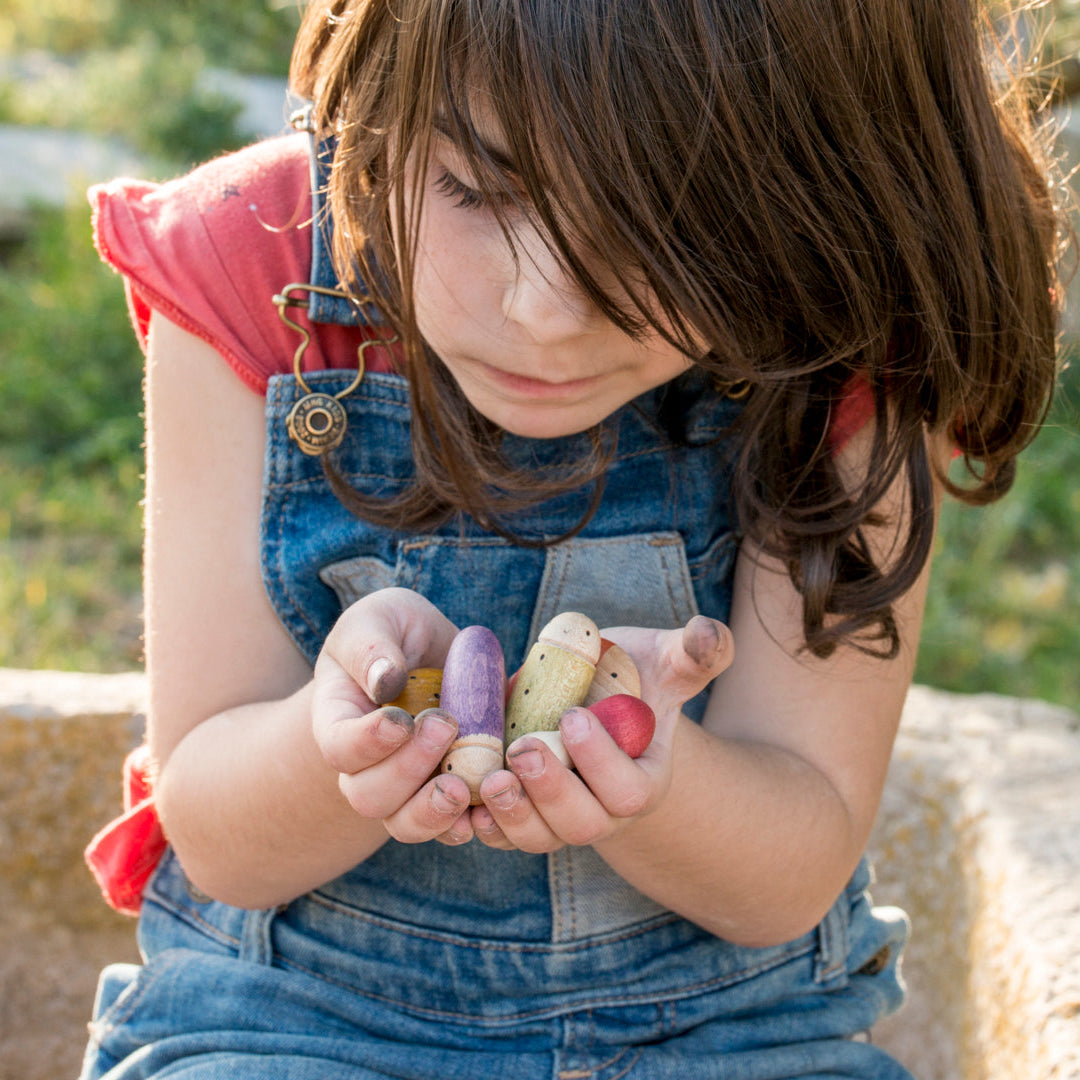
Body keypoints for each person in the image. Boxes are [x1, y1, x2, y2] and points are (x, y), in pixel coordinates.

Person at [79, 0, 1062, 1076]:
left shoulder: (843, 328)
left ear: (813, 193)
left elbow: (790, 869)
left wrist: (658, 783)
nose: (544, 308)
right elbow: (215, 834)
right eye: (478, 187)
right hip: (292, 1009)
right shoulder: (252, 268)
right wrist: (334, 753)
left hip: (722, 1026)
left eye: (661, 226)